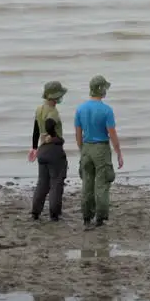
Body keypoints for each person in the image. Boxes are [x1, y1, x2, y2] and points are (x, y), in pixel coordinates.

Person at [74, 74, 123, 229]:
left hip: (87, 147)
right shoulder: (106, 110)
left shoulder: (80, 109)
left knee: (87, 182)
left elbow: (78, 132)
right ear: (101, 90)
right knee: (101, 183)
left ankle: (87, 217)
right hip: (101, 148)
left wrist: (82, 149)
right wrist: (118, 152)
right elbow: (112, 133)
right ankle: (100, 218)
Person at [28, 81, 68, 221]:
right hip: (54, 151)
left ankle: (35, 212)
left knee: (42, 183)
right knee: (56, 183)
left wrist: (34, 147)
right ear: (56, 97)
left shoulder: (39, 109)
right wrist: (55, 136)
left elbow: (36, 130)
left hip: (42, 150)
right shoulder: (53, 111)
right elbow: (49, 123)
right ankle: (54, 214)